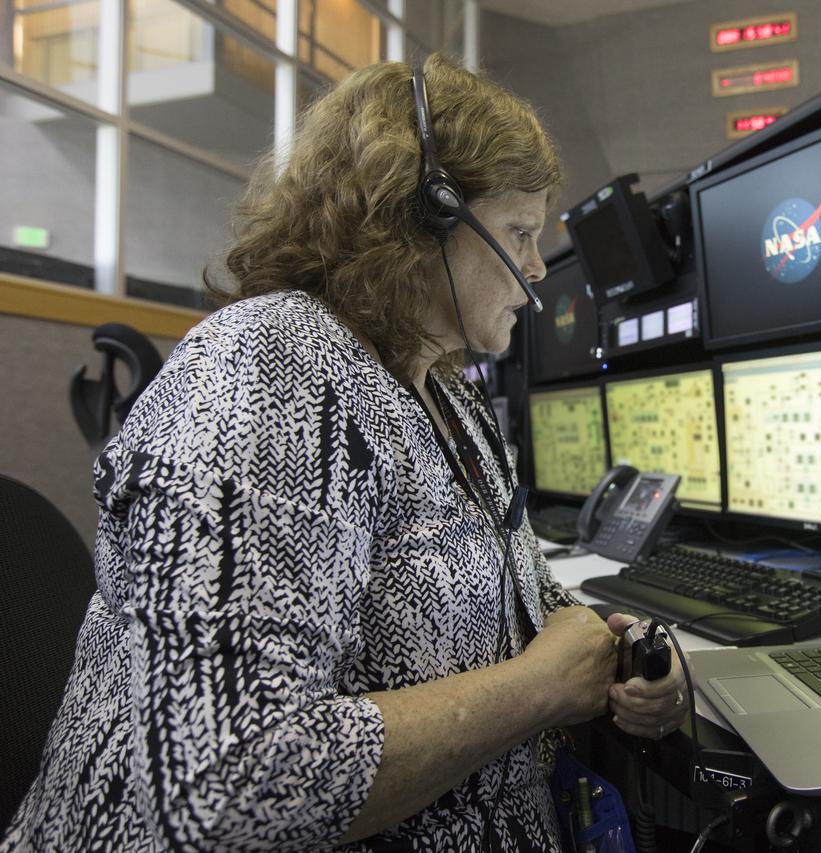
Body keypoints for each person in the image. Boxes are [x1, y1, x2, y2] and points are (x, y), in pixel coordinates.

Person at [2, 55, 686, 852]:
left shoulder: (447, 394)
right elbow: (228, 787)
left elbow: (524, 600)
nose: (537, 269)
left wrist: (621, 656)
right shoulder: (269, 370)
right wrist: (535, 692)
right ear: (421, 218)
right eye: (520, 233)